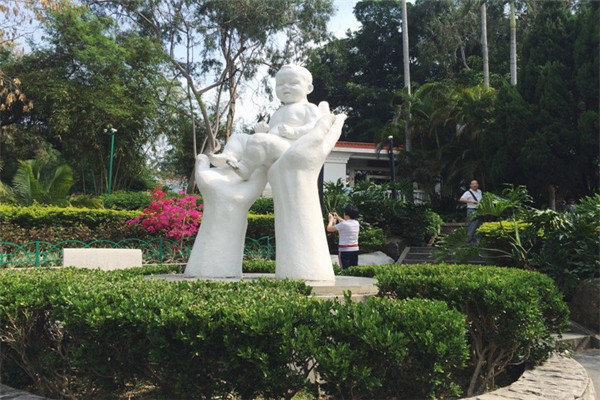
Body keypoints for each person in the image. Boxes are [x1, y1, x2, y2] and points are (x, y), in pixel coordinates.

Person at [209, 64, 322, 180]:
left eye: (293, 83)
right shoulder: (278, 112)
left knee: (260, 139)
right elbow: (270, 134)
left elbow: (315, 128)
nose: (285, 87)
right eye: (280, 84)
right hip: (271, 146)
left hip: (290, 147)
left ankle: (245, 168)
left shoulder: (309, 108)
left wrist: (293, 132)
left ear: (309, 88)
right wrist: (262, 131)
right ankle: (229, 156)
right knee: (239, 137)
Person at [327, 205, 360, 269]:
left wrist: (331, 220)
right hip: (355, 249)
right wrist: (338, 218)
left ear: (346, 215)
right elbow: (346, 223)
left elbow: (329, 229)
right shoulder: (356, 223)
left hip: (344, 251)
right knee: (353, 269)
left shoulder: (343, 224)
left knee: (345, 269)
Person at [460, 179, 483, 244]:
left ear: (478, 185)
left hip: (479, 210)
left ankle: (477, 242)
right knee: (472, 226)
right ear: (470, 185)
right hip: (472, 210)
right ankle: (468, 242)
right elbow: (461, 199)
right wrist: (472, 201)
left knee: (478, 226)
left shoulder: (479, 191)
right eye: (473, 184)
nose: (475, 185)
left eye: (476, 184)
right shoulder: (467, 193)